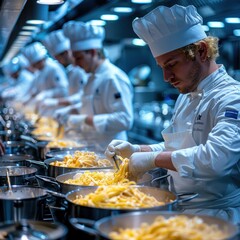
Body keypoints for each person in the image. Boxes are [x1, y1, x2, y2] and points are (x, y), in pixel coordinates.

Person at [105, 4, 240, 224]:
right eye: (161, 67)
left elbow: (216, 159)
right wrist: (139, 149)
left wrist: (153, 159)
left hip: (218, 219)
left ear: (202, 51)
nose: (166, 76)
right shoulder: (186, 95)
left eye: (172, 64)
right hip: (180, 210)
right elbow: (178, 148)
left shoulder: (232, 97)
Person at [54, 21, 134, 149]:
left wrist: (84, 120)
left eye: (79, 58)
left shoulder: (113, 77)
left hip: (111, 152)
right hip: (94, 150)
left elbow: (124, 120)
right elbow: (91, 104)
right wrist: (72, 110)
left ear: (92, 52)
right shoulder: (91, 77)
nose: (76, 64)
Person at [40, 29, 87, 116]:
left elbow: (84, 97)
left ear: (65, 53)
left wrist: (57, 102)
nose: (58, 62)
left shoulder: (82, 70)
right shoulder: (70, 71)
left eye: (58, 58)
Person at [21, 41, 68, 112]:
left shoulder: (54, 68)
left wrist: (46, 94)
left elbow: (63, 90)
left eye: (34, 64)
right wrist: (28, 99)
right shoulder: (39, 72)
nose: (34, 67)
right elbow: (38, 90)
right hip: (45, 110)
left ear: (40, 60)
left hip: (57, 109)